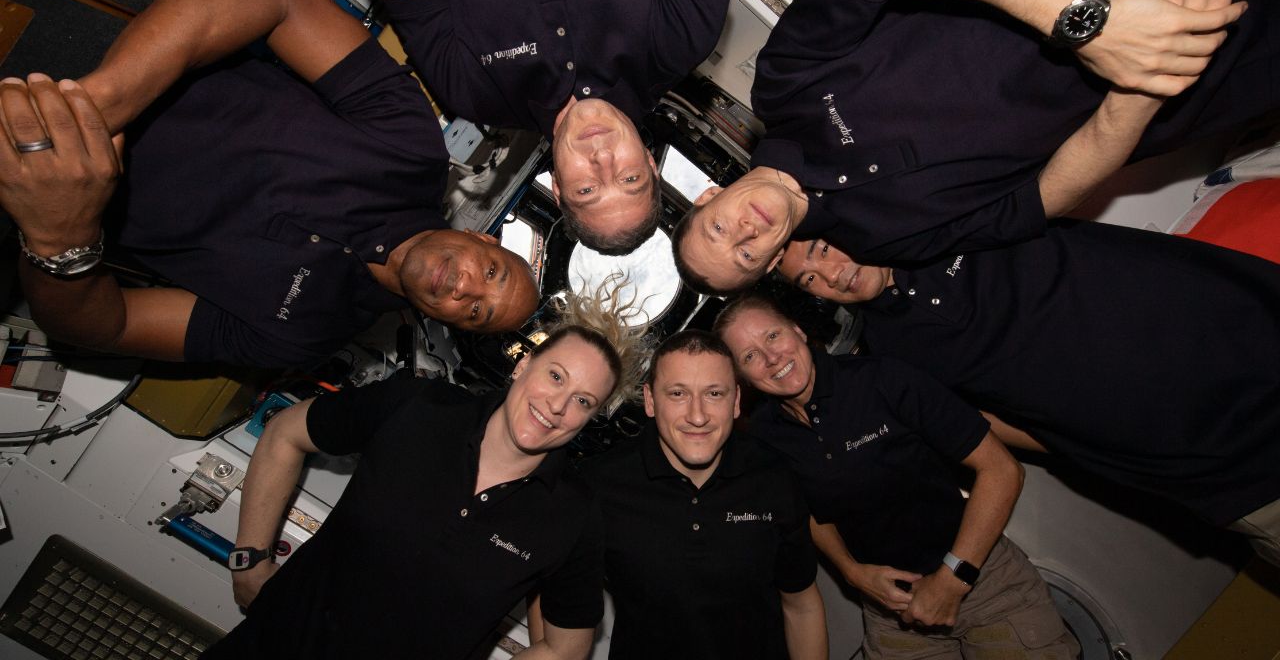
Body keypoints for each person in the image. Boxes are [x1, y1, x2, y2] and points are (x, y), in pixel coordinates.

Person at [0, 0, 539, 369]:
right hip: (77, 33)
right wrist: (95, 112)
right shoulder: (409, 144)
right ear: (477, 236)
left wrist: (59, 237)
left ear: (442, 322)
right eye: (490, 273)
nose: (465, 288)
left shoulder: (302, 336)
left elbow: (103, 327)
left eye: (473, 314)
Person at [674, 0, 1278, 291]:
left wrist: (1096, 23)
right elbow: (1050, 197)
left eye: (719, 231)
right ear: (774, 261)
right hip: (1195, 81)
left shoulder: (782, 86)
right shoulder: (889, 242)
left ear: (706, 198)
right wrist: (1142, 84)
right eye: (747, 256)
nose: (745, 234)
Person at [771, 222, 1280, 565]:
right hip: (1225, 473)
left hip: (1247, 344)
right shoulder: (890, 352)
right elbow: (978, 420)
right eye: (811, 278)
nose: (833, 274)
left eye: (822, 250)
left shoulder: (940, 214)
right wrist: (1075, 438)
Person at [208, 285, 648, 659]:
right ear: (522, 366)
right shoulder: (417, 407)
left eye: (583, 401)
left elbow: (566, 649)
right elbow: (286, 432)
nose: (558, 406)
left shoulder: (573, 515)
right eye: (555, 376)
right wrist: (248, 560)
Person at [716, 295, 1078, 659]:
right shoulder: (764, 436)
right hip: (892, 614)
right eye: (749, 356)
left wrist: (952, 580)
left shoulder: (883, 379)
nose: (770, 358)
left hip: (982, 584)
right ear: (742, 378)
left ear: (797, 330)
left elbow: (1002, 470)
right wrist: (851, 571)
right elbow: (805, 511)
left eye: (773, 336)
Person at [355, 0, 735, 254]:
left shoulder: (469, 89)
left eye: (586, 189)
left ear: (557, 187)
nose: (602, 160)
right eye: (630, 177)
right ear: (651, 163)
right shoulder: (683, 36)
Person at [531, 330, 828, 658]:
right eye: (677, 394)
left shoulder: (772, 476)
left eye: (714, 393)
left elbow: (801, 605)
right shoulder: (598, 485)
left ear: (736, 402)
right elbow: (550, 596)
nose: (697, 416)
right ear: (650, 401)